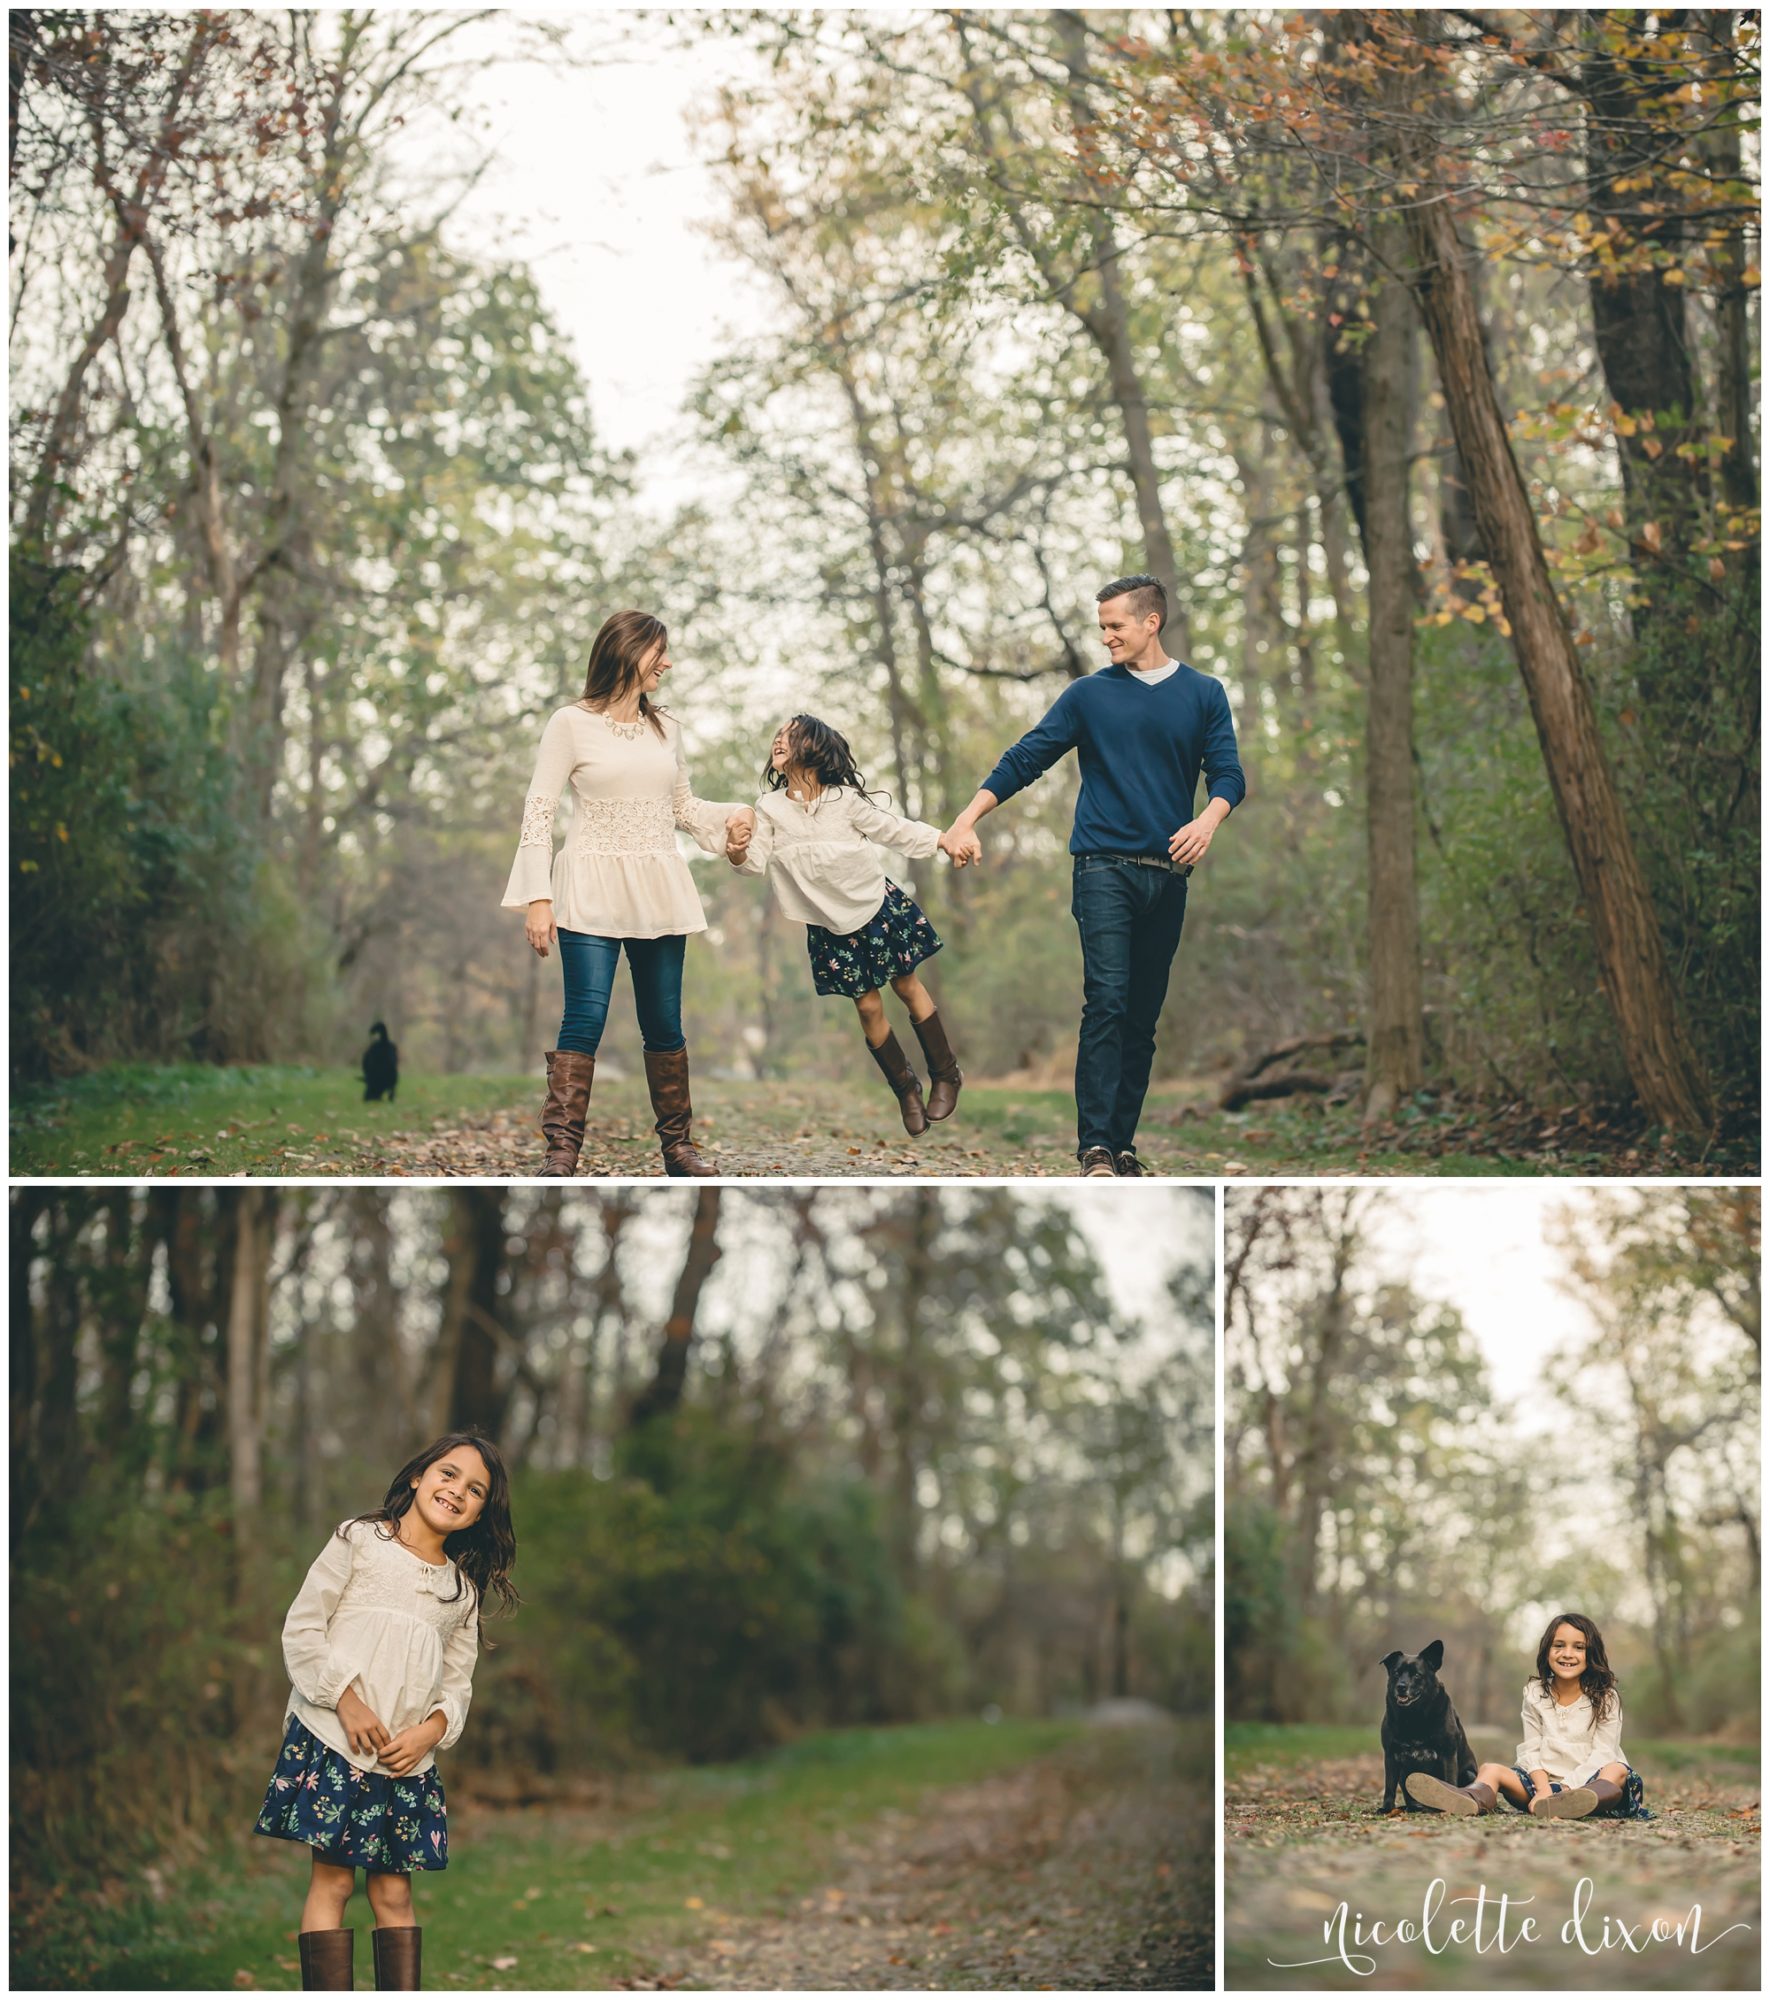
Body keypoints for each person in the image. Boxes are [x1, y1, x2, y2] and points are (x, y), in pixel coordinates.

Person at [942, 574, 1245, 1176]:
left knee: (1142, 1015)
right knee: (1106, 1001)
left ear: (1150, 622)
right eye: (1101, 626)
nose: (1106, 636)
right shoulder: (1088, 695)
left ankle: (1125, 1144)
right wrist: (966, 818)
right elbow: (1027, 756)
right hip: (1103, 867)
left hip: (1170, 874)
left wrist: (1208, 820)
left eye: (1115, 625)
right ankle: (1096, 1147)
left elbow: (1229, 775)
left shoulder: (1204, 693)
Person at [255, 1432, 520, 1990]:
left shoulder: (461, 1593)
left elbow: (458, 1685)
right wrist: (345, 1700)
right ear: (419, 1476)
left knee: (394, 1893)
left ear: (478, 1514)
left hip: (404, 1763)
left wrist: (432, 1731)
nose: (456, 1491)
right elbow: (303, 1630)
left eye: (474, 1490)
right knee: (333, 1885)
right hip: (336, 1741)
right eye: (448, 1474)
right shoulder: (359, 1540)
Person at [502, 611, 745, 1177]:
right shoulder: (569, 723)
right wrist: (538, 897)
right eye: (658, 651)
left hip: (659, 884)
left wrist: (732, 819)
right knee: (584, 1015)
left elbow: (682, 807)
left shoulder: (668, 728)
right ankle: (561, 1152)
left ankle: (678, 1149)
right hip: (589, 882)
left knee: (664, 1022)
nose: (667, 662)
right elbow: (539, 810)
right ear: (627, 651)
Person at [726, 715, 967, 1133]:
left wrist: (942, 839)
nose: (779, 740)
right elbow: (755, 861)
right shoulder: (770, 808)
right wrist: (735, 852)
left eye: (790, 734)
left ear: (814, 747)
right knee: (868, 1006)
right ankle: (906, 1089)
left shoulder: (845, 801)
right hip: (828, 923)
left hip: (874, 905)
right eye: (777, 735)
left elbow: (893, 830)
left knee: (907, 986)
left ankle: (946, 1074)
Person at [1403, 1612, 1649, 1820]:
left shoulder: (1606, 1697)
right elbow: (1531, 1749)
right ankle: (1468, 1798)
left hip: (1590, 1782)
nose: (1567, 1654)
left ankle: (1578, 1803)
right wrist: (1543, 1790)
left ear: (1591, 1653)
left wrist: (1562, 1788)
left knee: (1616, 1769)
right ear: (1547, 1650)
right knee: (1491, 1769)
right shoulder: (1535, 1693)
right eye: (1559, 1645)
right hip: (1540, 1788)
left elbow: (1603, 1753)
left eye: (1579, 1647)